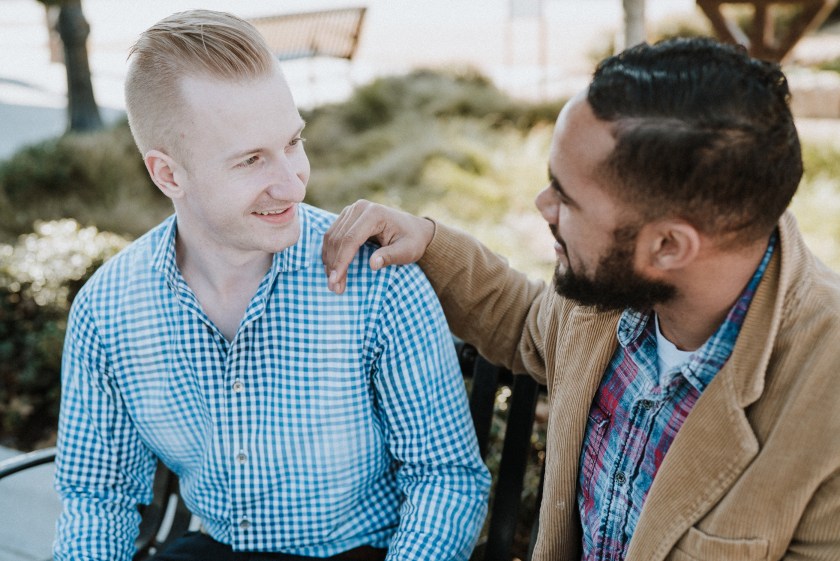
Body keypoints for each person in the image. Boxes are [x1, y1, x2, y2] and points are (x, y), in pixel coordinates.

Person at [322, 37, 840, 561]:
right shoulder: (615, 291)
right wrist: (428, 243)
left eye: (565, 197)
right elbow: (529, 325)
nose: (541, 204)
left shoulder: (827, 405)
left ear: (667, 245)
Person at [53, 10, 490, 561]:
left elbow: (445, 479)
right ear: (168, 175)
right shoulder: (108, 309)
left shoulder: (376, 279)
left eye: (293, 141)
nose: (291, 182)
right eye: (252, 159)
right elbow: (101, 497)